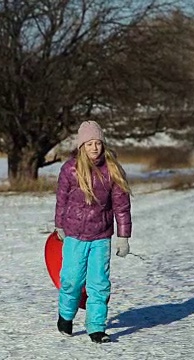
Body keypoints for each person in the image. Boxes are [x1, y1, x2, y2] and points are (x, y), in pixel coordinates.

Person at [54, 120, 132, 343]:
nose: (94, 148)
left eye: (98, 143)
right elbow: (61, 200)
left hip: (101, 236)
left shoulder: (112, 170)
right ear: (81, 146)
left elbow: (121, 205)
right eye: (89, 144)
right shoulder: (70, 169)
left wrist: (123, 236)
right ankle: (66, 316)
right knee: (72, 280)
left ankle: (96, 327)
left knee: (99, 283)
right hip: (74, 236)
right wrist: (59, 225)